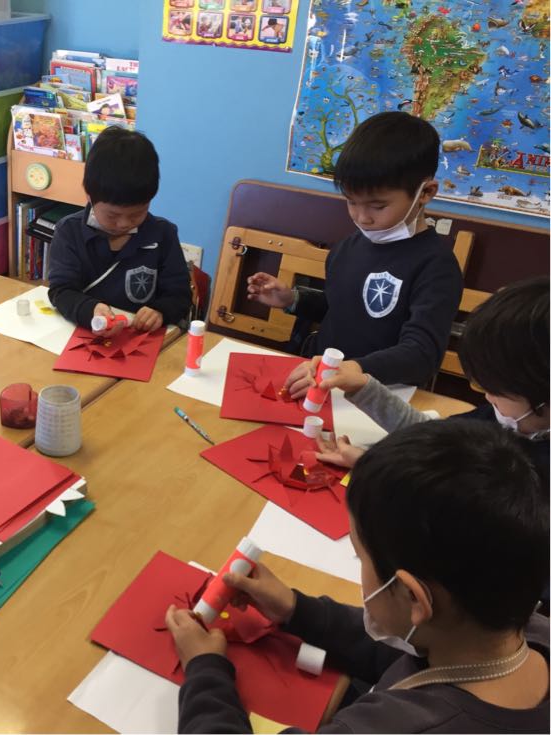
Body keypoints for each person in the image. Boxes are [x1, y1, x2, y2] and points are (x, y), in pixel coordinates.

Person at [166, 420, 549, 733]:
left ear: (414, 597)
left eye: (359, 556)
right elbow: (411, 653)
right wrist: (296, 609)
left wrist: (204, 668)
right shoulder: (520, 629)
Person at [247, 112, 462, 389]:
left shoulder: (436, 267)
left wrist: (355, 369)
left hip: (380, 395)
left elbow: (422, 355)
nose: (362, 218)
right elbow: (343, 310)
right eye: (351, 202)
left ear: (426, 192)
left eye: (378, 206)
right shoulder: (348, 248)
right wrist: (292, 299)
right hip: (321, 383)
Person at [310, 276, 549, 483]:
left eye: (496, 389)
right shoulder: (495, 420)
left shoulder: (537, 485)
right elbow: (430, 440)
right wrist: (363, 387)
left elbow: (466, 496)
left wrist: (374, 466)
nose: (487, 397)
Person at [47, 127, 191, 338]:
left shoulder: (163, 234)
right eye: (112, 215)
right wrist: (90, 309)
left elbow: (180, 295)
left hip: (142, 339)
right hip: (85, 334)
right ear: (89, 195)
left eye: (137, 214)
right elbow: (61, 291)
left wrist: (160, 311)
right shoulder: (69, 231)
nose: (123, 224)